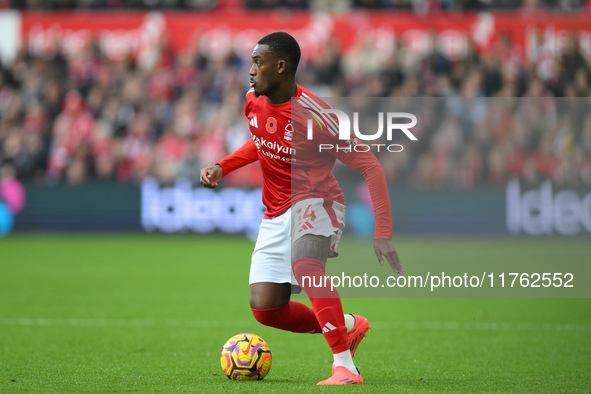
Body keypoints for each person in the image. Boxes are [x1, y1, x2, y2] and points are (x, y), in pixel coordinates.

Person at [200, 32, 404, 385]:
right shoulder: (253, 99)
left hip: (317, 200)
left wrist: (382, 232)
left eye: (257, 62)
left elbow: (371, 166)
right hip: (275, 210)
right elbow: (263, 139)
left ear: (281, 67)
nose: (250, 71)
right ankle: (349, 327)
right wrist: (224, 165)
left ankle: (345, 367)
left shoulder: (318, 118)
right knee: (266, 309)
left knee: (306, 265)